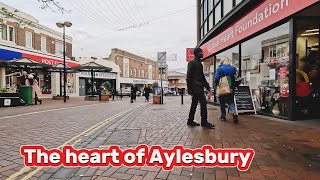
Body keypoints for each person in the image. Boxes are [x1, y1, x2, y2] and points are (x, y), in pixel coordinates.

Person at [187, 47, 215, 129]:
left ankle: (190, 120)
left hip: (199, 87)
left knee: (194, 104)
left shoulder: (199, 63)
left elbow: (202, 77)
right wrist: (189, 89)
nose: (202, 53)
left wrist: (208, 87)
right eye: (201, 52)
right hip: (196, 88)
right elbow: (188, 76)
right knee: (203, 103)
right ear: (197, 53)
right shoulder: (192, 63)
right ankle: (204, 122)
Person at [214, 58, 238, 123]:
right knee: (231, 101)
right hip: (231, 88)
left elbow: (216, 79)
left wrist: (217, 84)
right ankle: (234, 113)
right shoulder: (233, 68)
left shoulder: (219, 69)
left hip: (223, 88)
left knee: (222, 102)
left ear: (222, 62)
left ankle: (223, 116)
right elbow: (237, 77)